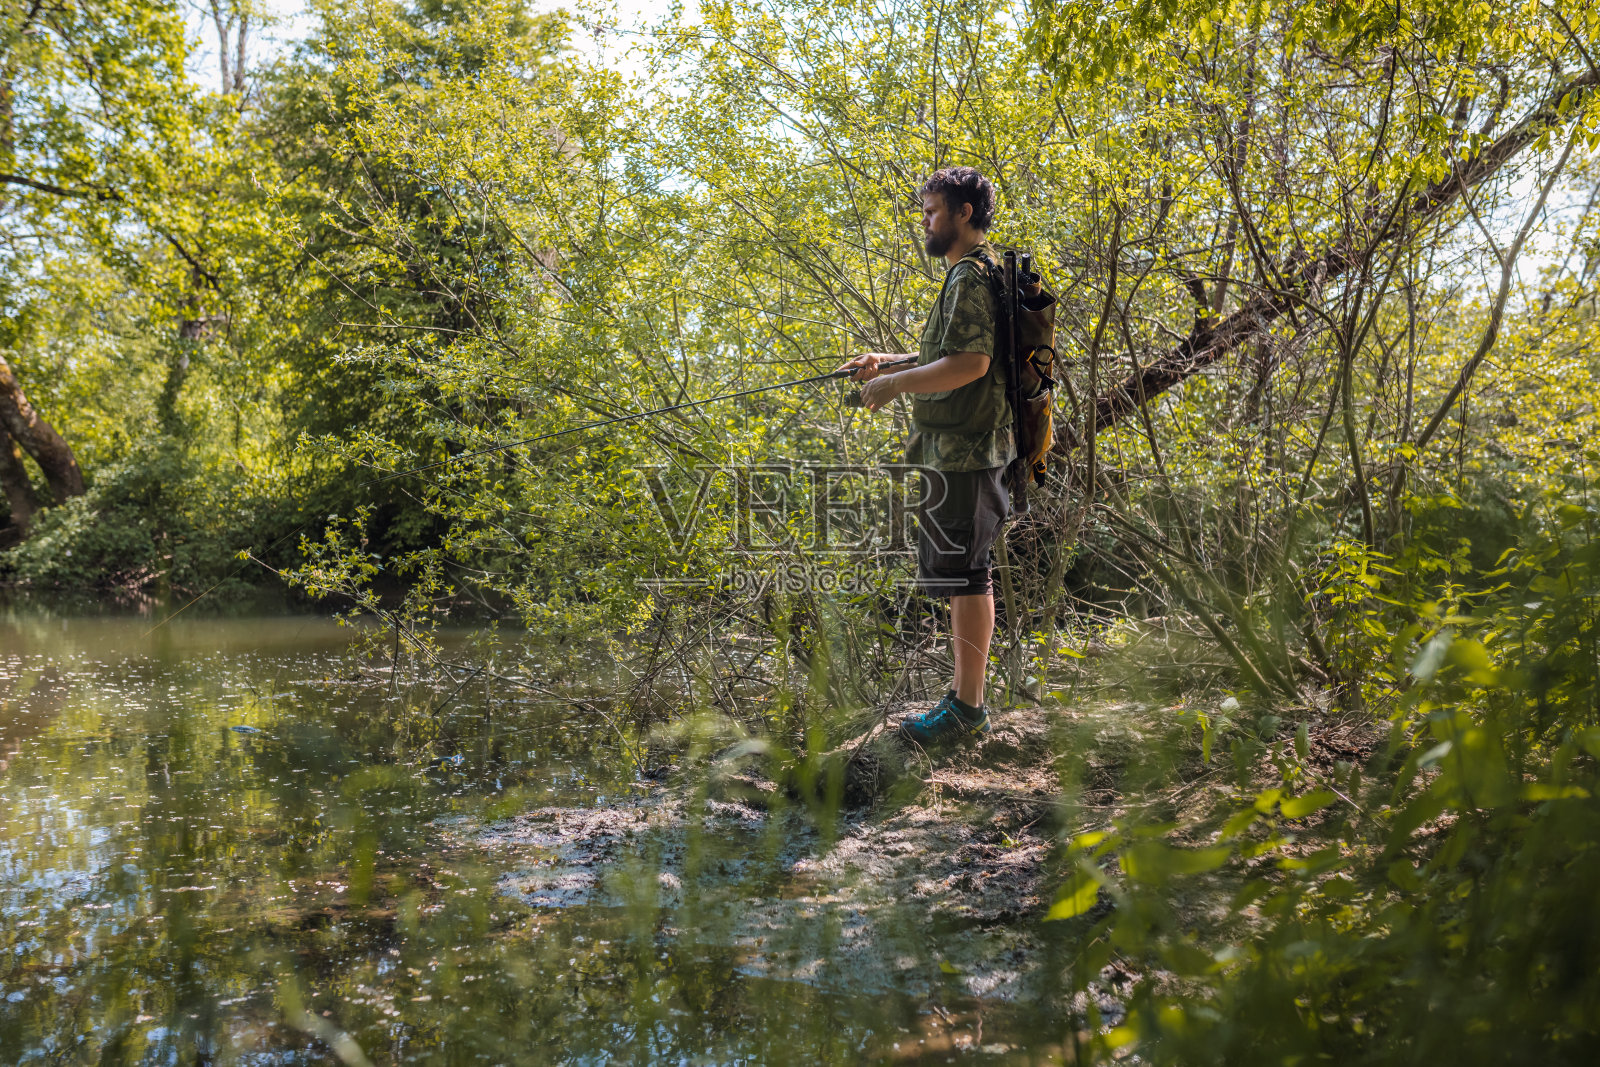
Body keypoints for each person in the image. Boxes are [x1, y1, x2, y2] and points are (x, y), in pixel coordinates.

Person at [837, 166, 1012, 747]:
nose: (925, 222)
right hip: (963, 446)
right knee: (964, 571)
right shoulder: (980, 271)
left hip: (967, 448)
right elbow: (953, 348)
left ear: (964, 213)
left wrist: (895, 385)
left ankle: (967, 708)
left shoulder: (969, 275)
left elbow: (972, 364)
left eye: (934, 211)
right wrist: (887, 360)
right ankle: (965, 701)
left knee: (968, 573)